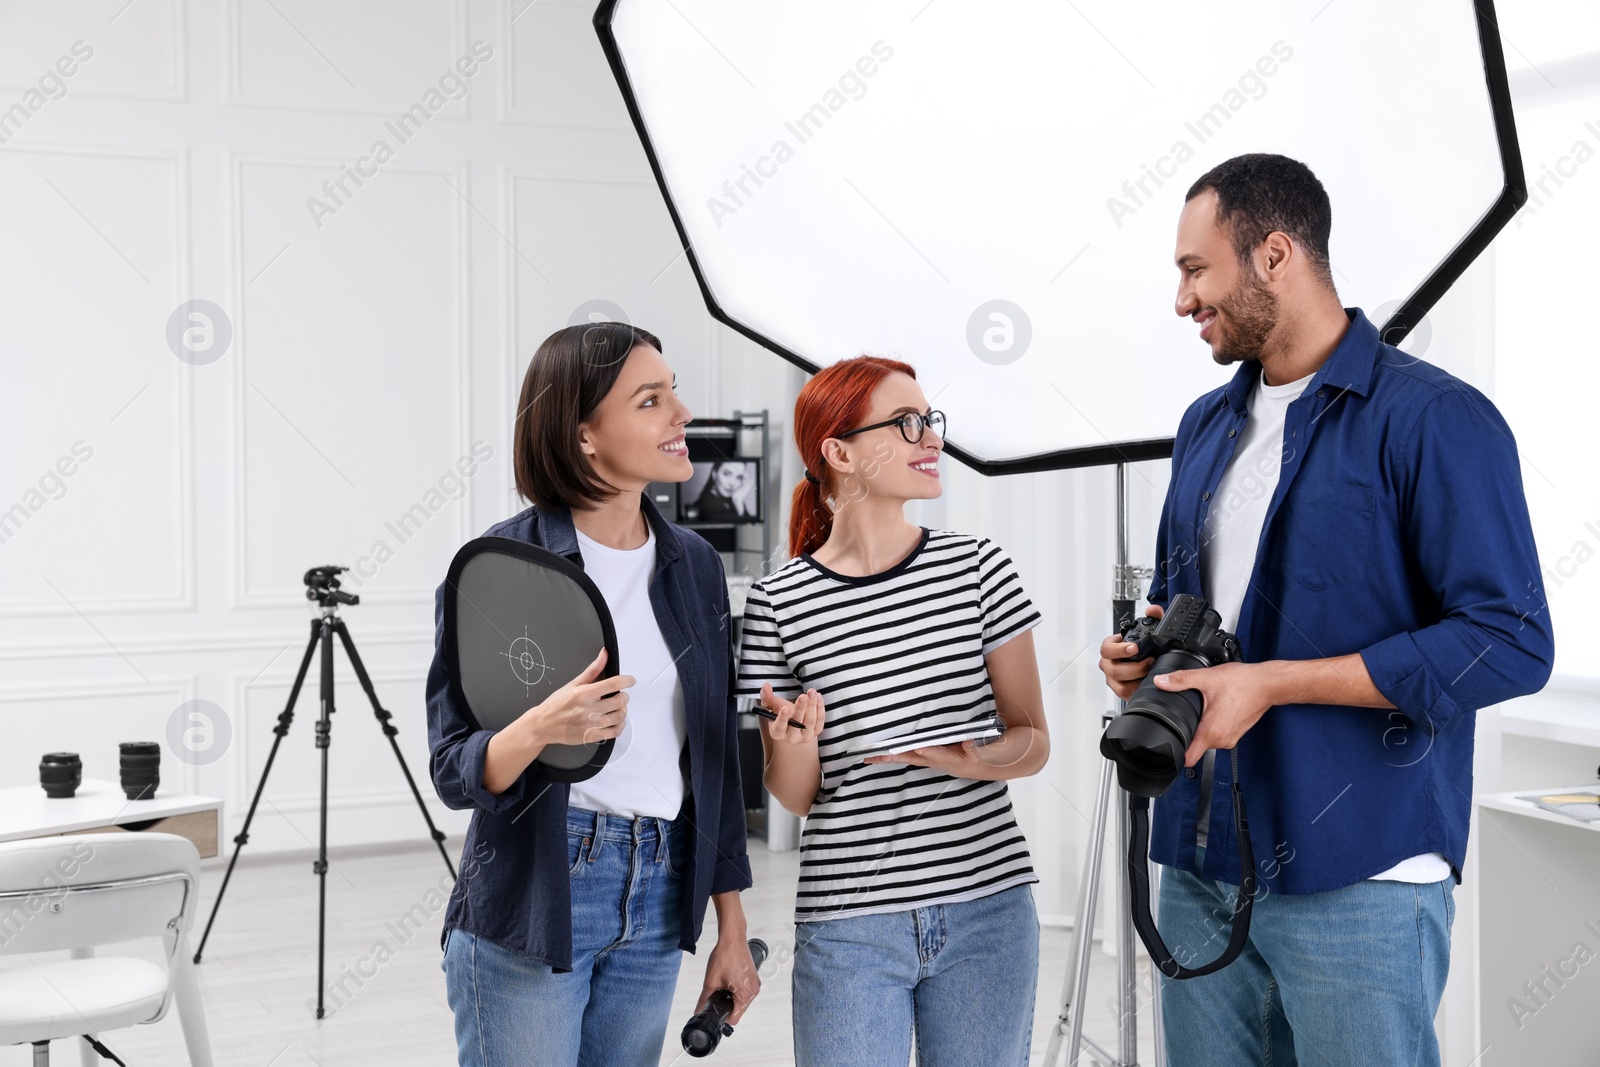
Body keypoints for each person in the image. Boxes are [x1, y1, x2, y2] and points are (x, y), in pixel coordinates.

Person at [1097, 154, 1554, 1066]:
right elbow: (1187, 600)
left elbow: (1509, 641)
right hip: (1200, 860)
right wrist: (1146, 652)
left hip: (1362, 874)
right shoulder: (1203, 425)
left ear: (1275, 254)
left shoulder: (1435, 419)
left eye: (1196, 271)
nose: (1182, 301)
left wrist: (1273, 681)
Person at [426, 322, 760, 1067]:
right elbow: (453, 768)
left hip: (663, 888)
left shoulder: (697, 565)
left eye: (674, 392)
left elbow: (713, 762)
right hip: (539, 895)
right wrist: (542, 725)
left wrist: (730, 926)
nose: (682, 414)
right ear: (584, 436)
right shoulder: (496, 568)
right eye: (652, 400)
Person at [736, 355, 1051, 1067]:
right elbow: (794, 795)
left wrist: (971, 757)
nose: (931, 439)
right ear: (839, 452)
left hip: (988, 908)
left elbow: (1033, 739)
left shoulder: (979, 567)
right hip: (849, 921)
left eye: (930, 421)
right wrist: (795, 743)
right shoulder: (778, 601)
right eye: (907, 424)